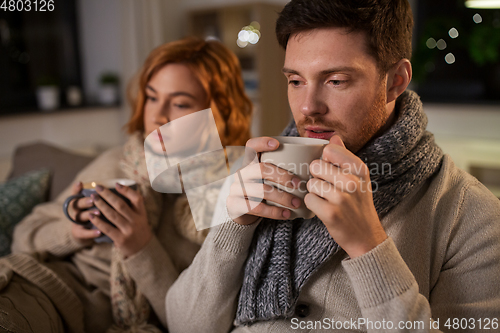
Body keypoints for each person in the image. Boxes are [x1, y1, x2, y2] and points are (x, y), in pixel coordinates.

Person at [165, 1, 500, 332]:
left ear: (396, 81)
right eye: (295, 81)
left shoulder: (473, 217)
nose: (308, 106)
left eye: (336, 80)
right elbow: (183, 324)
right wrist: (232, 225)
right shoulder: (256, 170)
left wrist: (369, 246)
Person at [0, 36, 252, 332]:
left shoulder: (230, 196)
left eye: (180, 103)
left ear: (219, 111)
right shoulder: (119, 160)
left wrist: (141, 246)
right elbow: (24, 234)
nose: (157, 115)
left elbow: (194, 319)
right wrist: (76, 231)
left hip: (70, 310)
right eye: (152, 97)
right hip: (30, 280)